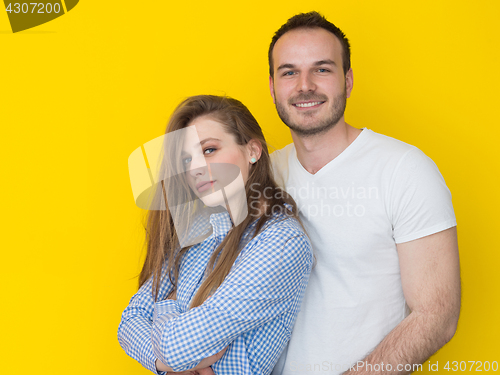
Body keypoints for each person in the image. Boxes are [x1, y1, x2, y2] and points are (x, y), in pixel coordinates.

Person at [267, 12, 461, 375]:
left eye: (322, 69)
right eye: (289, 72)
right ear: (273, 86)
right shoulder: (263, 175)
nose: (304, 85)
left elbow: (437, 315)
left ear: (348, 80)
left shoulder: (404, 169)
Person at [118, 95, 313, 375]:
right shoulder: (198, 232)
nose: (195, 168)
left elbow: (175, 348)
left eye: (209, 150)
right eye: (186, 158)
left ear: (253, 151)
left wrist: (166, 306)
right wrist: (167, 363)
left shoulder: (280, 242)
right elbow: (129, 322)